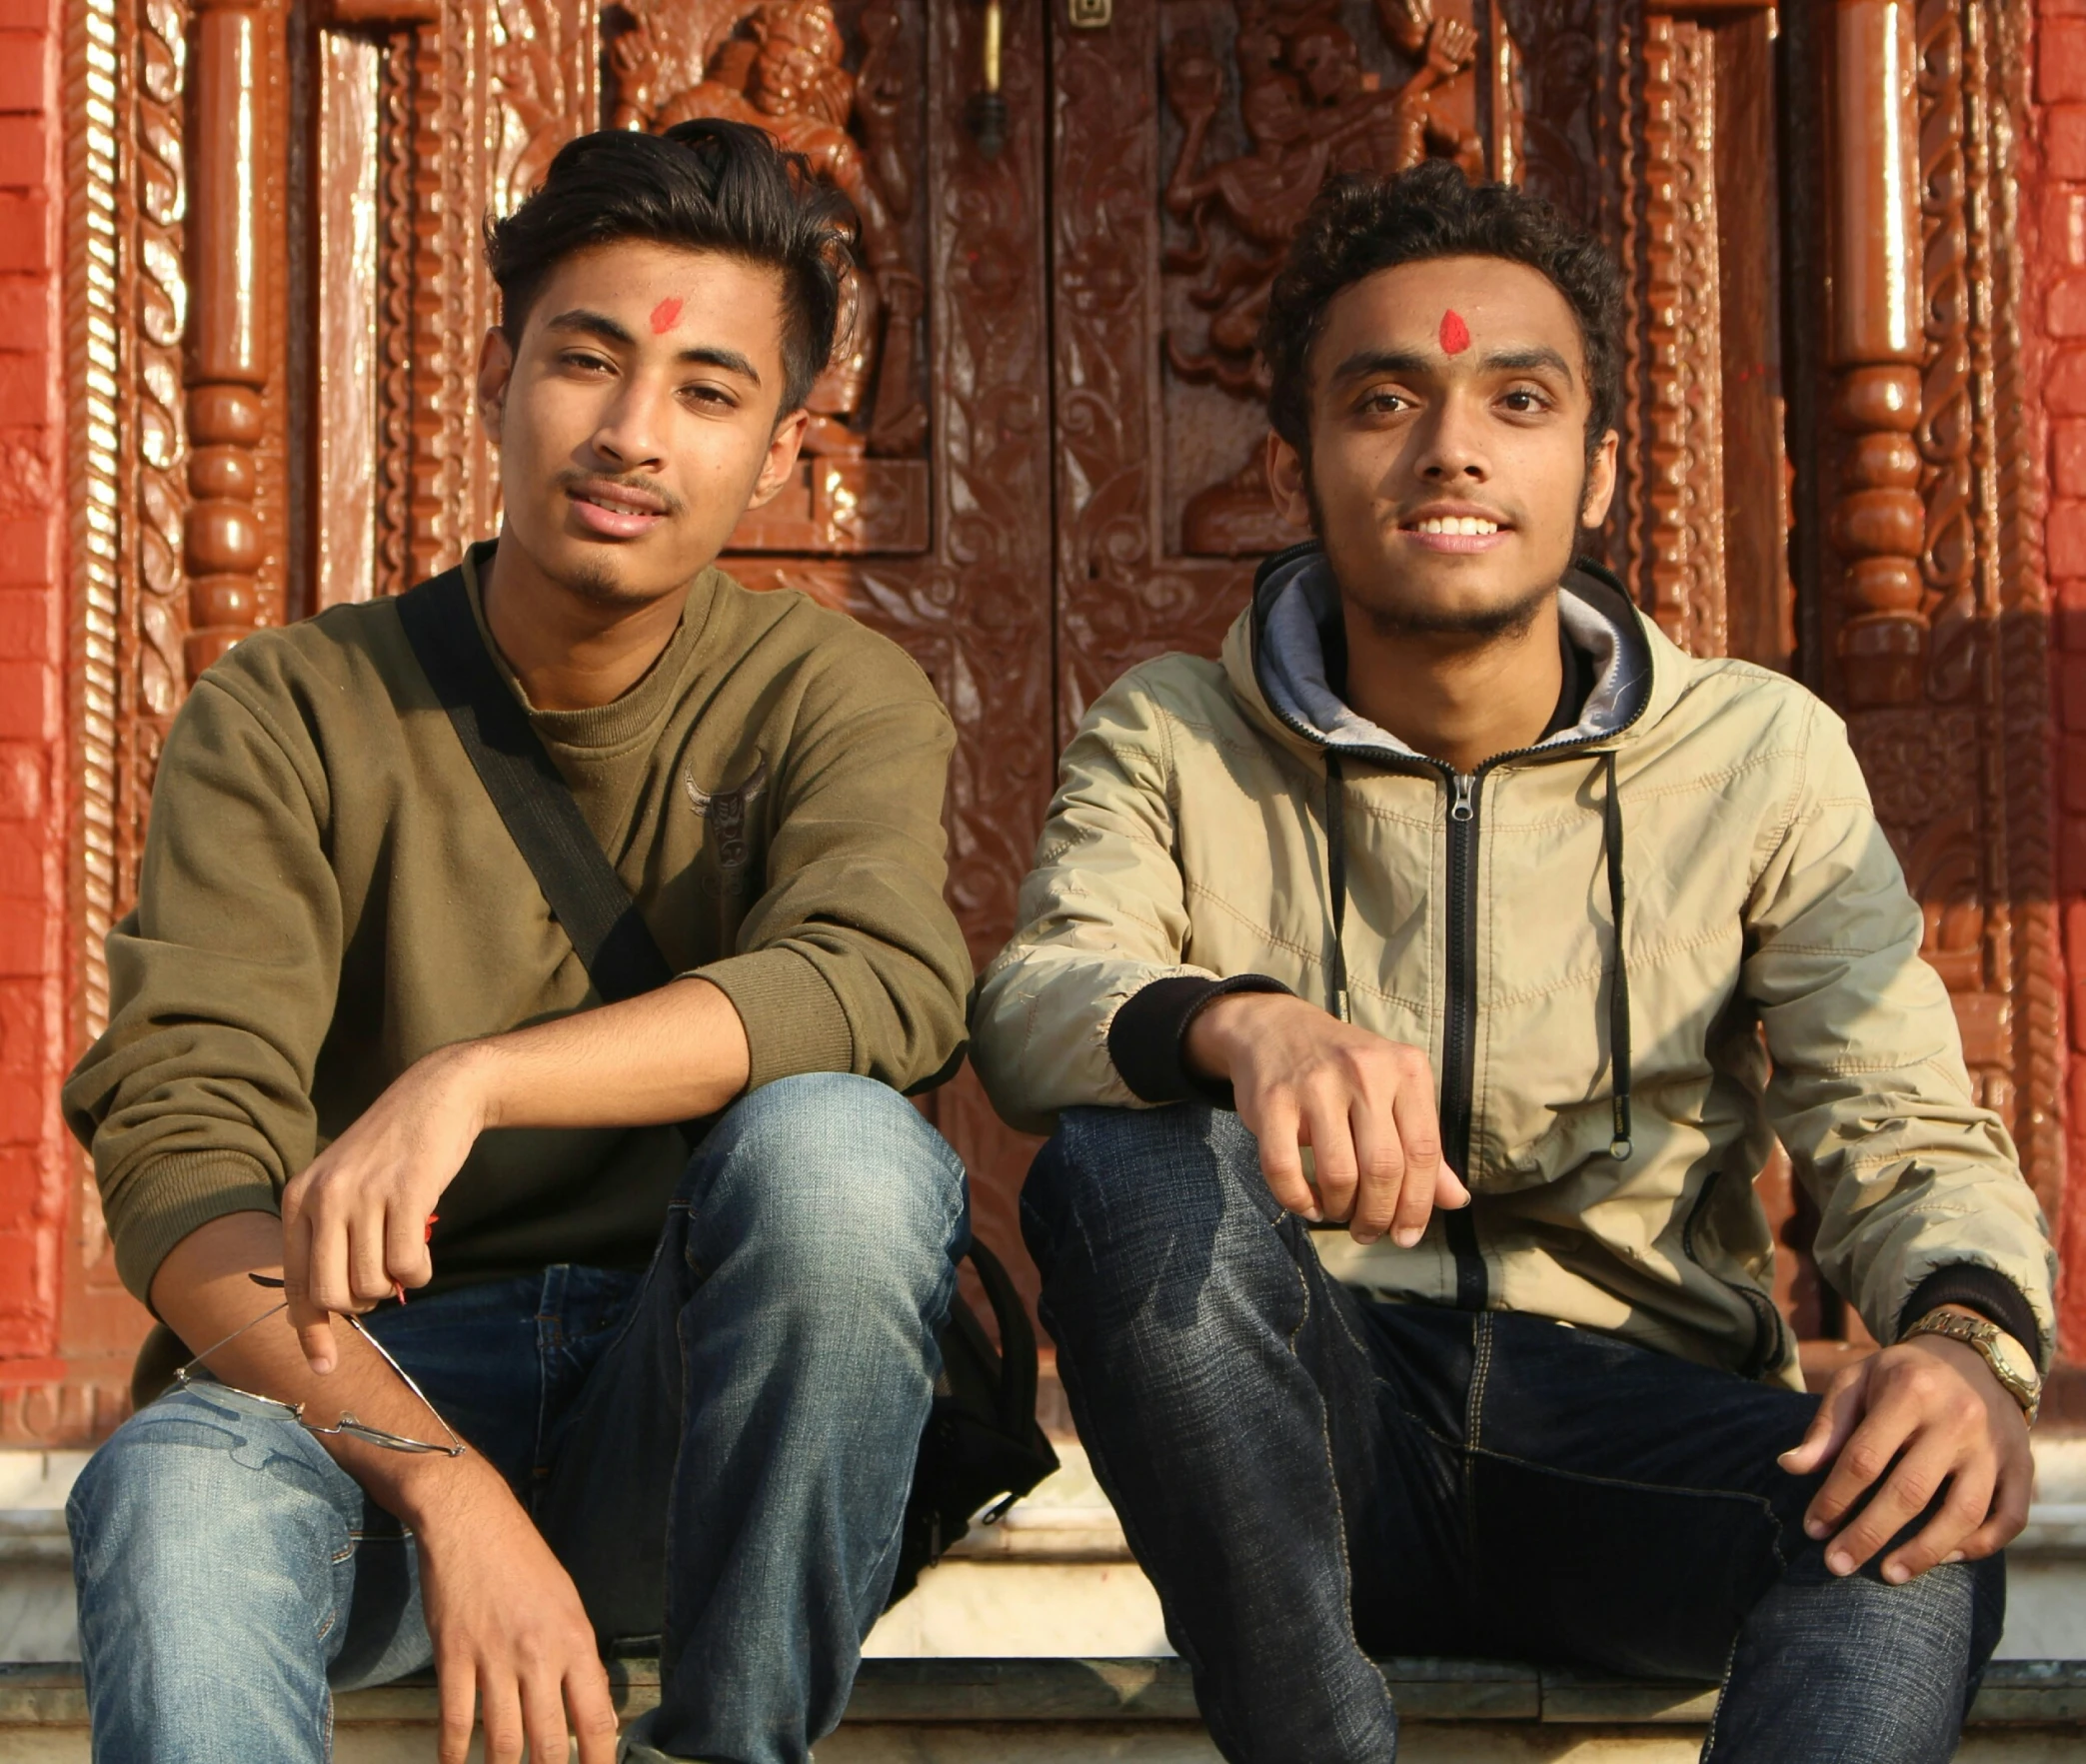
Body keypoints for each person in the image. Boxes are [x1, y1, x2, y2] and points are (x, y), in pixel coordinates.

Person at [973, 160, 2056, 1764]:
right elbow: (1040, 994)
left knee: (1911, 1539)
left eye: (1519, 399)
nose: (1453, 449)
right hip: (1307, 1432)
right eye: (1385, 400)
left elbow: (1895, 1116)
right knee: (1123, 1179)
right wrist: (1242, 1025)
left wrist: (1967, 1351)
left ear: (1598, 469)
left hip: (1632, 1422)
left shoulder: (1755, 753)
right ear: (1295, 464)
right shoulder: (1178, 731)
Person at [62, 120, 973, 1764]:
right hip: (364, 1391)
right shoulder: (290, 708)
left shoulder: (831, 696)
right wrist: (445, 1487)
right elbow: (182, 1153)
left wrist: (477, 1080)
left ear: (776, 450)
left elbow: (879, 983)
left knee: (844, 1155)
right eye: (586, 362)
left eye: (707, 391)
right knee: (172, 1481)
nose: (632, 434)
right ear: (496, 373)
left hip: (691, 1405)